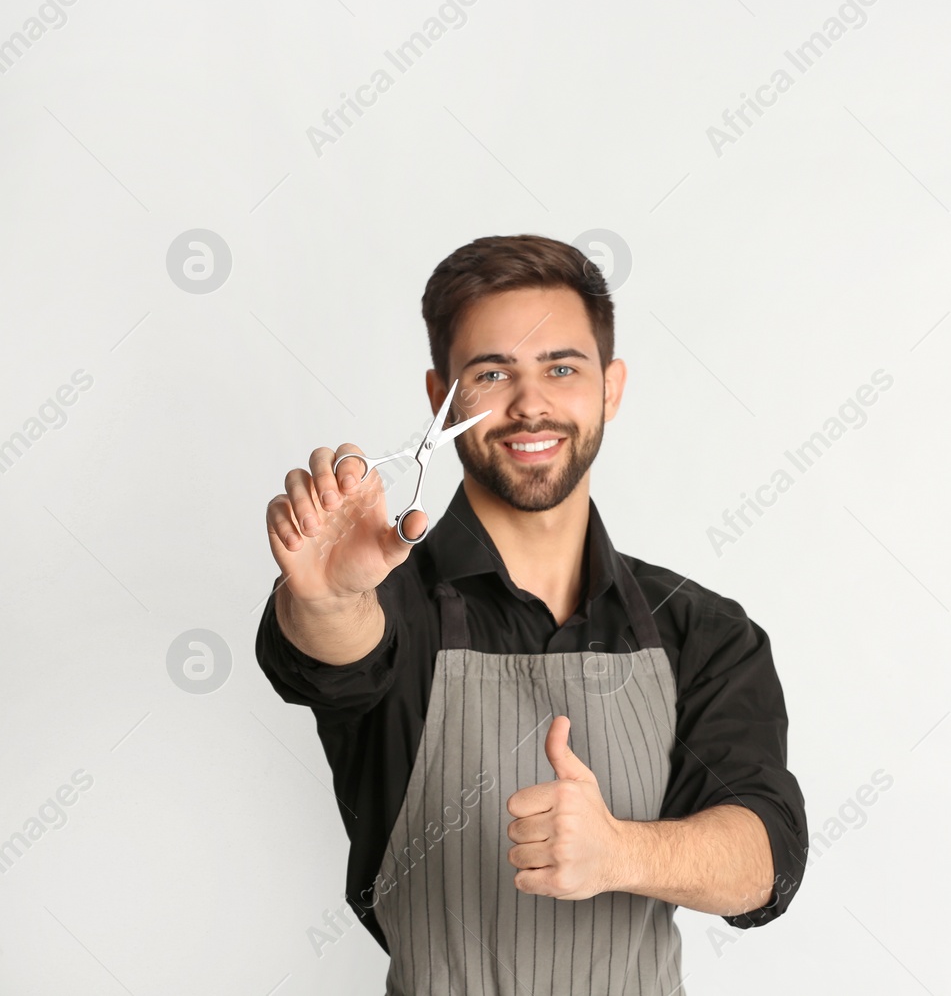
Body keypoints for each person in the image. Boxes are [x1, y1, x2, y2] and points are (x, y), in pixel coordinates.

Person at [255, 235, 806, 995]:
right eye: (491, 372)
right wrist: (323, 595)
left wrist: (620, 853)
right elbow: (337, 649)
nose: (530, 403)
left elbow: (765, 853)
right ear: (438, 395)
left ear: (610, 388)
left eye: (561, 367)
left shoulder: (701, 631)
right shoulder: (393, 603)